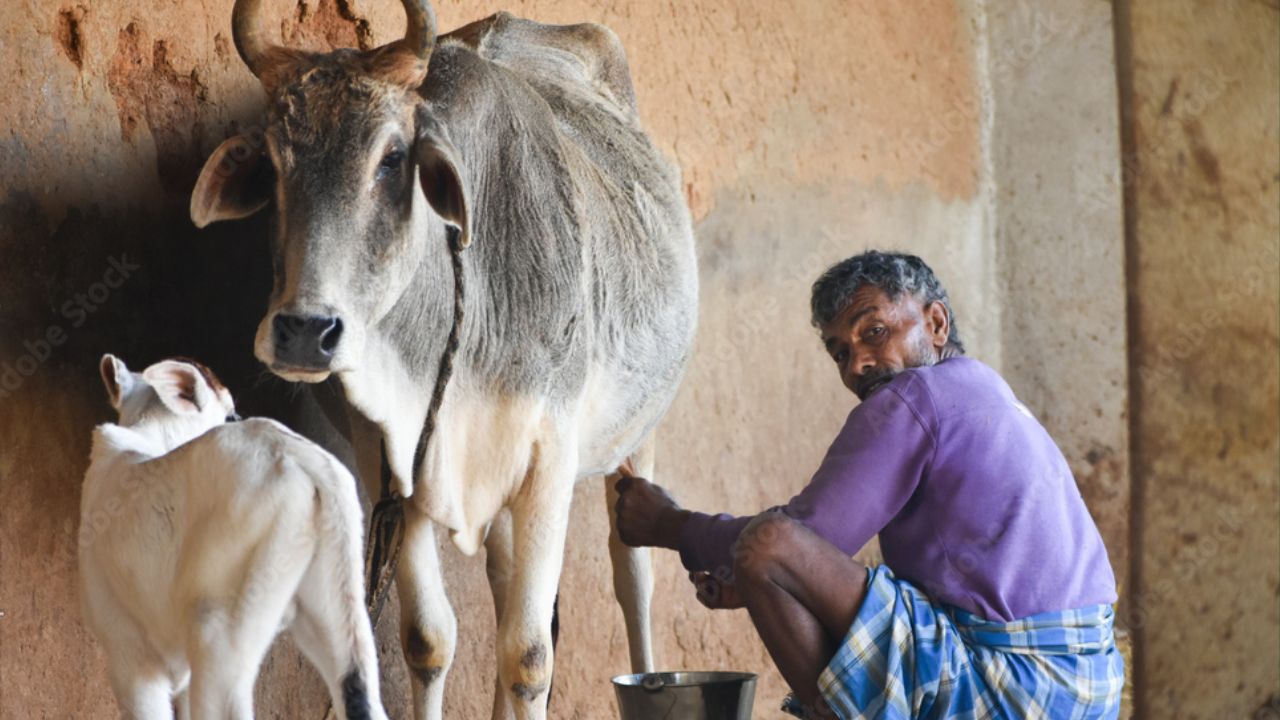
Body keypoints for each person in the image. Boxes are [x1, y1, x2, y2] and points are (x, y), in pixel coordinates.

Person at [614, 251, 1125, 719]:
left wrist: (670, 524)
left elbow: (800, 538)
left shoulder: (915, 396)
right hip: (1089, 683)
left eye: (874, 332)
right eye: (839, 352)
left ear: (936, 323)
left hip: (1016, 682)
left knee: (770, 546)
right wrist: (753, 582)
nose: (857, 364)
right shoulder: (983, 387)